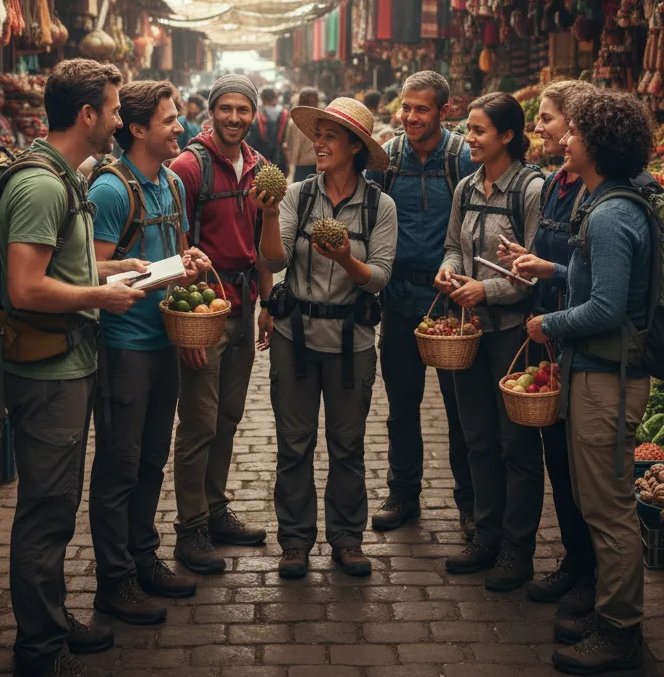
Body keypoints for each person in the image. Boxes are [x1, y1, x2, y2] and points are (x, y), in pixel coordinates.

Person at [0, 59, 148, 677]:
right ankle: (39, 652)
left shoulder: (68, 177)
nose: (119, 120)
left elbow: (62, 268)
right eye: (113, 110)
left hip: (69, 363)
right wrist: (98, 297)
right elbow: (25, 285)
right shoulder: (41, 185)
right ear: (87, 115)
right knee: (47, 512)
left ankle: (53, 621)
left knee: (57, 506)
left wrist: (124, 273)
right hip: (48, 371)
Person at [513, 88, 654, 675]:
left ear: (595, 144)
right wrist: (555, 272)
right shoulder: (603, 205)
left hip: (607, 380)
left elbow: (607, 307)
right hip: (593, 374)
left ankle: (621, 632)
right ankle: (608, 609)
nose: (563, 138)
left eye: (574, 133)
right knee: (598, 501)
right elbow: (595, 279)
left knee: (608, 507)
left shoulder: (615, 213)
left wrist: (549, 322)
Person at [88, 81, 212, 625]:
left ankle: (144, 557)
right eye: (169, 121)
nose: (179, 128)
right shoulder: (112, 190)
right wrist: (143, 273)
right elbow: (90, 269)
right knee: (119, 465)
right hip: (124, 348)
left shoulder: (170, 183)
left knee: (152, 460)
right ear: (137, 129)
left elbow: (178, 250)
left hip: (165, 341)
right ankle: (113, 580)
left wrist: (192, 260)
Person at [258, 97, 396, 579]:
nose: (318, 143)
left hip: (351, 343)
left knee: (347, 445)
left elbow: (378, 277)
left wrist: (344, 261)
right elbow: (275, 263)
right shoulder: (298, 194)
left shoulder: (381, 205)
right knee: (294, 445)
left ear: (355, 147)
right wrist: (270, 214)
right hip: (293, 337)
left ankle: (347, 538)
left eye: (330, 136)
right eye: (317, 135)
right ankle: (295, 541)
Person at [435, 92, 544, 591]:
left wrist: (490, 289)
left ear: (506, 136)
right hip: (468, 330)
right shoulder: (466, 187)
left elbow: (537, 269)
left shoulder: (531, 189)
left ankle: (517, 551)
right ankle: (486, 536)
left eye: (478, 131)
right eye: (468, 129)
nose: (469, 138)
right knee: (476, 438)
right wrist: (450, 271)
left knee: (515, 444)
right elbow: (455, 243)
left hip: (511, 336)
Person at [496, 81, 596, 612]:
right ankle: (575, 562)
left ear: (578, 129)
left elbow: (593, 279)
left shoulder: (600, 193)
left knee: (585, 473)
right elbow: (554, 255)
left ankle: (591, 576)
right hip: (551, 338)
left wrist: (547, 269)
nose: (540, 128)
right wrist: (525, 258)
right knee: (557, 459)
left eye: (550, 119)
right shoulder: (556, 183)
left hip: (579, 337)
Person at [169, 75, 274, 574]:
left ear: (253, 114)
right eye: (226, 109)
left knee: (228, 416)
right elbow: (175, 247)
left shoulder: (260, 168)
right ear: (211, 111)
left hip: (246, 301)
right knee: (199, 423)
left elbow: (262, 244)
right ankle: (190, 527)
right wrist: (185, 322)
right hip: (204, 312)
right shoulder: (188, 168)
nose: (235, 118)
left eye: (243, 110)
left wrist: (269, 303)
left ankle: (214, 509)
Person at [366, 71, 477, 537]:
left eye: (421, 109)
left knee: (460, 409)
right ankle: (402, 494)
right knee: (402, 403)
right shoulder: (387, 158)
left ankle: (470, 504)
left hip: (451, 303)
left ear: (444, 111)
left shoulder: (463, 157)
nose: (410, 117)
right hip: (399, 299)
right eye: (405, 108)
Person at [246, 87, 289, 167]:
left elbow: (251, 140)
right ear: (274, 98)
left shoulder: (256, 116)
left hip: (260, 157)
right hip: (278, 156)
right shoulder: (284, 114)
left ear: (262, 98)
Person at [283, 87, 320, 182]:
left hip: (301, 165)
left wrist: (292, 164)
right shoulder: (321, 119)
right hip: (318, 164)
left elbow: (291, 144)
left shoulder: (293, 121)